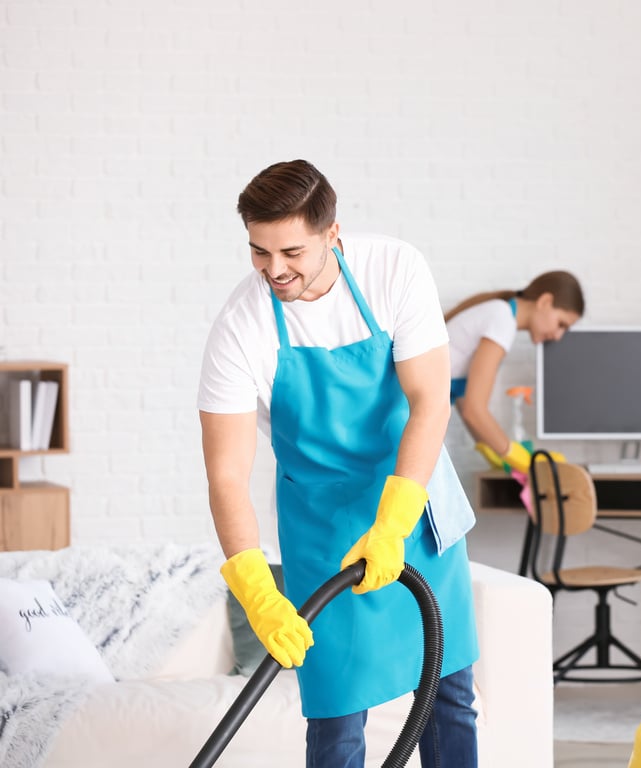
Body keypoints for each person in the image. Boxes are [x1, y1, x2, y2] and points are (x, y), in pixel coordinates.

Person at [197, 159, 479, 768]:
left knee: (449, 693)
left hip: (413, 500)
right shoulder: (240, 327)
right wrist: (252, 587)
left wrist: (393, 524)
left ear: (332, 234)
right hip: (323, 527)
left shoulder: (393, 268)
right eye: (258, 252)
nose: (275, 270)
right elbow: (225, 474)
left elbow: (430, 403)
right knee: (334, 712)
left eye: (292, 251)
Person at [445, 271, 584, 473]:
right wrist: (521, 460)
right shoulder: (502, 320)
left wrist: (494, 453)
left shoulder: (499, 314)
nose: (558, 336)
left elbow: (466, 403)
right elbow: (474, 410)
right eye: (561, 324)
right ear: (545, 301)